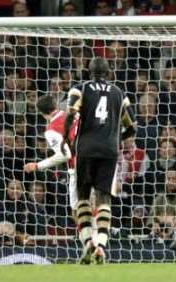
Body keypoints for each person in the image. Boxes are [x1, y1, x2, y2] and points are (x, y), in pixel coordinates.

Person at [63, 57, 137, 264]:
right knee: (104, 198)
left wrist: (65, 138)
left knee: (83, 197)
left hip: (85, 148)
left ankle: (88, 243)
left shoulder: (80, 89)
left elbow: (70, 113)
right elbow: (133, 127)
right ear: (109, 73)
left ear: (89, 71)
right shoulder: (119, 93)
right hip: (109, 151)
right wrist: (115, 139)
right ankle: (102, 245)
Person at [23, 95, 79, 212]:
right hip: (99, 161)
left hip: (79, 168)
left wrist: (38, 165)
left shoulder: (51, 129)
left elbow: (65, 154)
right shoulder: (76, 114)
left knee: (77, 208)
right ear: (56, 106)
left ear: (42, 113)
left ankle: (85, 230)